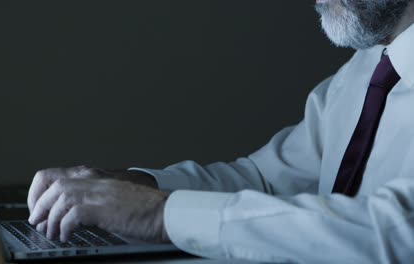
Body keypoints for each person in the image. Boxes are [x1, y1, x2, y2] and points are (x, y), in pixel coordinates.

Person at [27, 0, 414, 263]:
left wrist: (160, 215)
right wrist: (136, 188)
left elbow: (396, 231)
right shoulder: (361, 72)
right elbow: (265, 180)